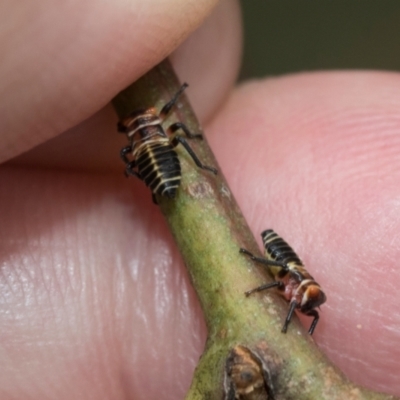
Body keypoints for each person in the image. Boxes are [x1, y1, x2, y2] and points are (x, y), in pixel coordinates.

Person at [0, 0, 398, 398]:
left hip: (158, 164)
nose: (301, 301)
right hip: (160, 160)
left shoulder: (294, 290)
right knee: (169, 147)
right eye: (305, 297)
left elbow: (133, 154)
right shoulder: (157, 122)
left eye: (302, 300)